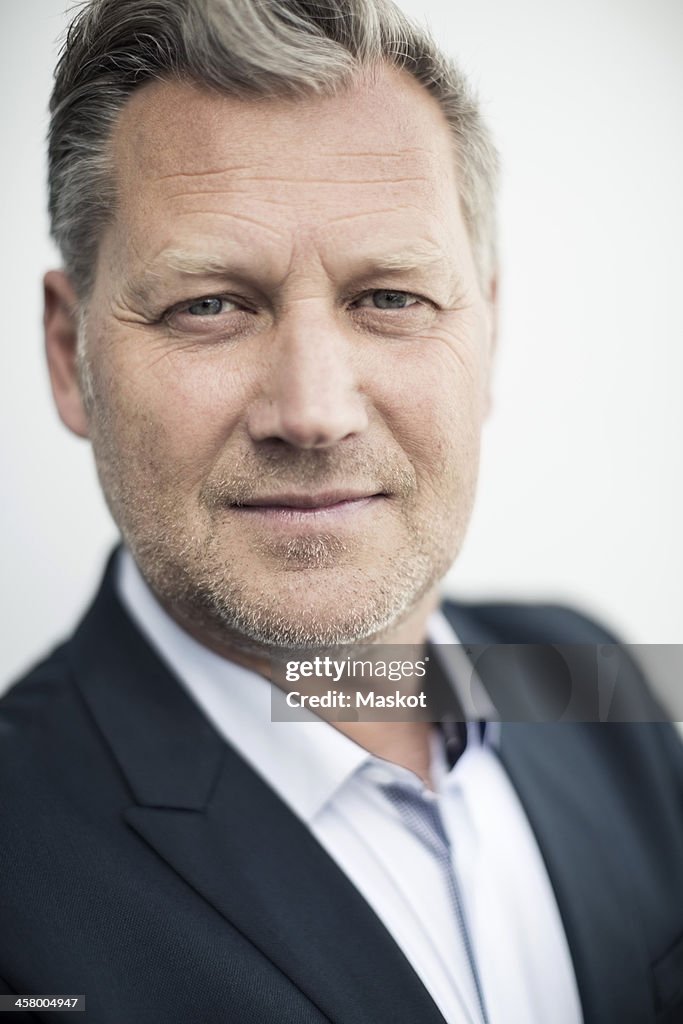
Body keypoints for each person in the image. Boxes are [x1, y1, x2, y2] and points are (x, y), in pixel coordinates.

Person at [1, 1, 681, 1022]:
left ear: (485, 334)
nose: (311, 414)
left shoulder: (588, 676)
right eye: (209, 304)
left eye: (390, 298)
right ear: (70, 356)